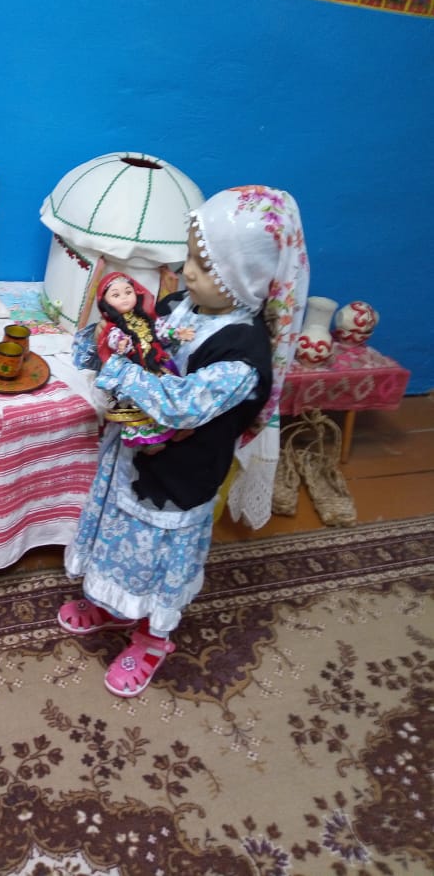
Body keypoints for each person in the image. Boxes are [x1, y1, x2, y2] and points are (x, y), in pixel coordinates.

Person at [58, 186, 309, 698]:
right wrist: (102, 336)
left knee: (155, 555)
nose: (188, 272)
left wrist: (118, 368)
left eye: (206, 264)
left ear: (248, 275)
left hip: (179, 478)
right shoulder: (179, 307)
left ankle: (152, 637)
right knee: (118, 534)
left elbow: (182, 404)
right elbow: (133, 339)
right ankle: (111, 602)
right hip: (132, 457)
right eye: (190, 256)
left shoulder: (243, 352)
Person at [93, 271, 183, 448]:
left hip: (154, 364)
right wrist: (122, 344)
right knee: (140, 405)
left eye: (128, 292)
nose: (124, 298)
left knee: (162, 397)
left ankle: (166, 430)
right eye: (116, 295)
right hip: (134, 371)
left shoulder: (145, 318)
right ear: (106, 303)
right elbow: (113, 338)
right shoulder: (113, 326)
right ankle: (146, 442)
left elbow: (159, 329)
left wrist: (176, 333)